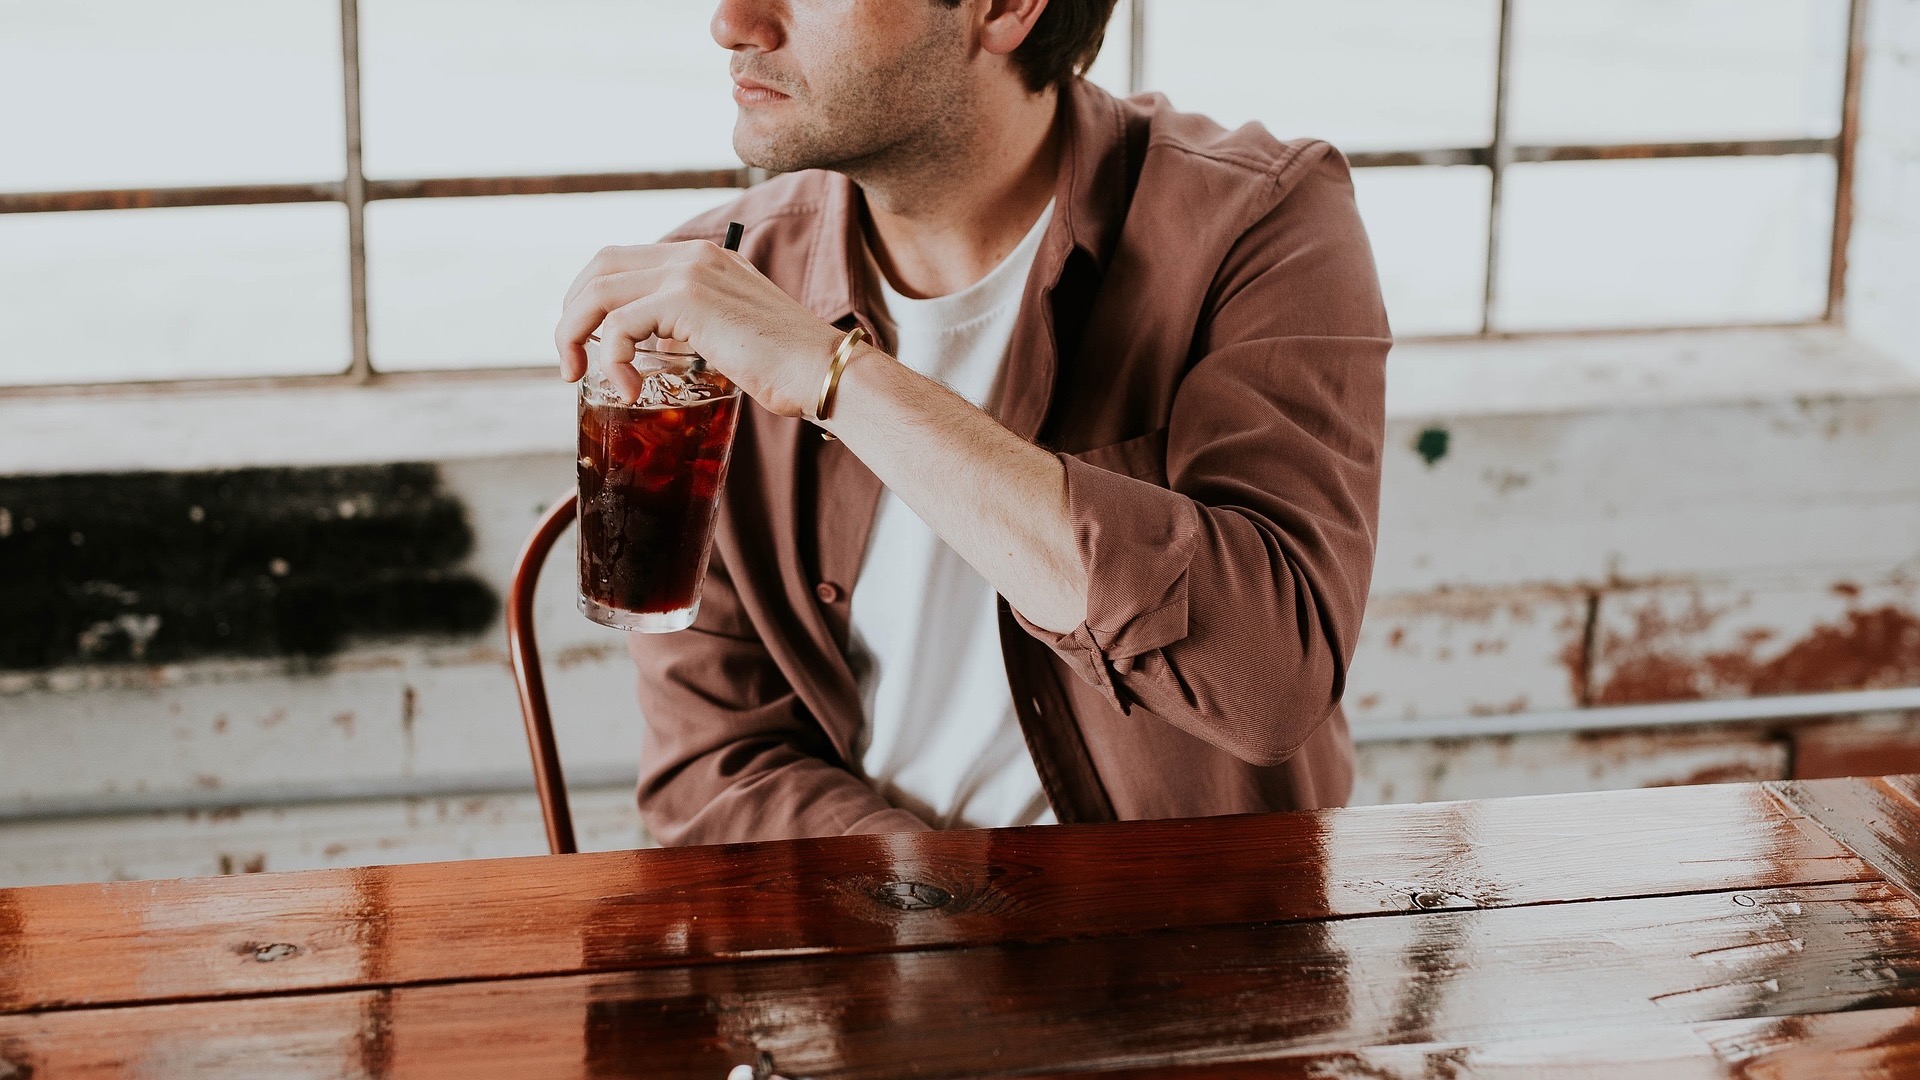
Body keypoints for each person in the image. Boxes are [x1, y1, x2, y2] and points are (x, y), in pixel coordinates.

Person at [554, 0, 1390, 844]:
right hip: (874, 934)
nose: (733, 23)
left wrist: (834, 375)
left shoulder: (1257, 218)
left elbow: (1271, 680)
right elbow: (712, 771)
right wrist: (945, 910)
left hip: (1193, 940)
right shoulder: (725, 291)